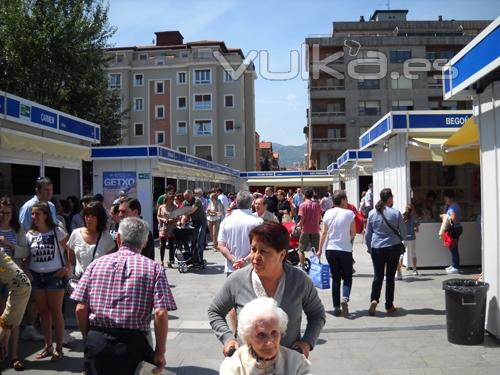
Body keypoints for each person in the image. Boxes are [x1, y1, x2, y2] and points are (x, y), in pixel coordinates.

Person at [71, 217, 177, 374]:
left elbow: (80, 308)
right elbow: (160, 313)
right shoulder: (154, 268)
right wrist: (160, 351)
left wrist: (90, 337)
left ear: (118, 238)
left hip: (98, 339)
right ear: (145, 242)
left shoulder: (96, 265)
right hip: (133, 344)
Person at [208, 222, 326, 359]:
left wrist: (306, 343)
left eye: (263, 251)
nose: (255, 257)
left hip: (288, 364)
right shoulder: (237, 280)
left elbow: (317, 314)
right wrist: (227, 339)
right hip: (247, 365)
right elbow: (215, 311)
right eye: (253, 249)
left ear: (282, 255)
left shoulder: (300, 281)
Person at [24, 202, 72, 361]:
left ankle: (59, 348)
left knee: (56, 312)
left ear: (46, 215)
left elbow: (71, 248)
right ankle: (47, 346)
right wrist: (26, 269)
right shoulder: (30, 233)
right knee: (43, 313)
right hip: (37, 276)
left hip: (55, 275)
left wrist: (67, 267)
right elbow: (28, 254)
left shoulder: (57, 231)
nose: (34, 217)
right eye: (32, 214)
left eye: (37, 214)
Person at [219, 297, 312, 375]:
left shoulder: (297, 362)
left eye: (274, 333)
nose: (270, 342)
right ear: (247, 338)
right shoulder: (233, 366)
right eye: (261, 335)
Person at [217, 191, 263, 333]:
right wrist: (244, 260)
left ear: (235, 203)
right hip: (252, 267)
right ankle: (252, 331)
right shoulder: (257, 222)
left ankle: (236, 331)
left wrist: (233, 260)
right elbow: (260, 246)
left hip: (232, 268)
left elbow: (221, 245)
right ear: (251, 204)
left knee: (233, 303)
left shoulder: (226, 221)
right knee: (253, 300)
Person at [0, 196, 31, 370]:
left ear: (13, 214)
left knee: (14, 318)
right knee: (3, 316)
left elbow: (25, 251)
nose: (4, 216)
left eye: (8, 213)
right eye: (1, 212)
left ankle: (14, 356)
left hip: (13, 276)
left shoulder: (18, 229)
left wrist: (10, 245)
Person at [365, 188, 406, 316]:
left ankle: (374, 299)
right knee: (390, 277)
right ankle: (389, 305)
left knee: (378, 276)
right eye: (392, 197)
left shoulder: (372, 213)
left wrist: (370, 248)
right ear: (388, 199)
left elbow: (367, 234)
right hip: (393, 247)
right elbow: (404, 234)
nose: (393, 200)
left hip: (377, 247)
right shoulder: (396, 213)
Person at [317, 190, 356, 317]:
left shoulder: (328, 213)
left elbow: (323, 233)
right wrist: (347, 240)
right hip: (345, 249)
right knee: (348, 276)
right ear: (343, 200)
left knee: (336, 278)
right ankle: (345, 297)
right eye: (346, 199)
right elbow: (353, 233)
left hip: (331, 249)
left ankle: (336, 307)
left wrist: (319, 250)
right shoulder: (349, 214)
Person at [67, 201, 116, 283]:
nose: (89, 219)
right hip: (79, 281)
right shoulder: (75, 233)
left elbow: (112, 264)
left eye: (93, 216)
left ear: (100, 218)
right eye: (87, 215)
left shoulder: (107, 237)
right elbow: (71, 259)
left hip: (99, 282)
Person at [298, 189, 322, 269]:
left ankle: (302, 267)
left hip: (305, 230)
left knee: (301, 250)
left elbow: (302, 219)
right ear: (312, 195)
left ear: (304, 195)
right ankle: (316, 266)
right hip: (315, 229)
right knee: (316, 250)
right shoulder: (317, 205)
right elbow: (319, 218)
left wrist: (298, 225)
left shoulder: (302, 205)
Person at [182, 190, 208, 265]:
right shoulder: (185, 202)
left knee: (200, 241)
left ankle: (200, 259)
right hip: (193, 222)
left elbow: (191, 211)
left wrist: (183, 212)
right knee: (192, 241)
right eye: (185, 197)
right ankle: (192, 258)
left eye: (188, 197)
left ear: (191, 195)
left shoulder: (197, 201)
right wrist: (182, 222)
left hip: (202, 222)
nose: (187, 199)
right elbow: (185, 215)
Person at [440, 189, 462, 274]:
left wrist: (445, 217)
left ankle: (456, 266)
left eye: (446, 198)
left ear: (450, 198)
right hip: (454, 229)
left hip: (454, 229)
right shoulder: (451, 206)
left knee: (453, 248)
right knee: (452, 247)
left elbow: (453, 218)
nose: (445, 199)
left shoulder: (453, 207)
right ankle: (453, 265)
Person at [157, 193, 177, 268]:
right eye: (170, 198)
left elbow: (177, 217)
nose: (172, 200)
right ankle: (162, 261)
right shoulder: (161, 207)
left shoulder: (174, 207)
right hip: (164, 227)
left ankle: (170, 260)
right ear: (167, 199)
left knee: (171, 245)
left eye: (172, 199)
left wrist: (172, 220)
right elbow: (158, 216)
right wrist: (163, 219)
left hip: (171, 227)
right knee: (163, 245)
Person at [402, 203, 419, 276]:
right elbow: (417, 229)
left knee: (401, 254)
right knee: (413, 254)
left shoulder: (403, 217)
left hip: (404, 237)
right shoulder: (414, 217)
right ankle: (414, 270)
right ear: (413, 210)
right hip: (412, 237)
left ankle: (398, 271)